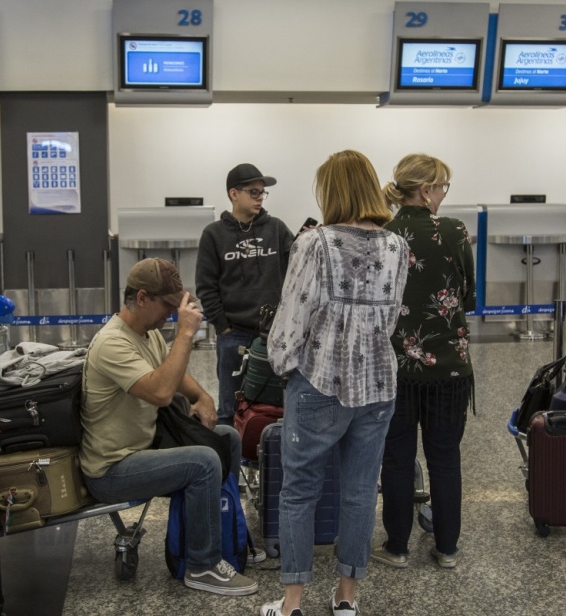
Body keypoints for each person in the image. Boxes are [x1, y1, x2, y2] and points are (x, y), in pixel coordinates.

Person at [261, 150, 409, 616]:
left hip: (320, 381)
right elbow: (390, 319)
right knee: (361, 491)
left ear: (332, 191)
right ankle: (347, 598)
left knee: (300, 491)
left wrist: (283, 365)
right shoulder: (397, 246)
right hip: (378, 384)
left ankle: (292, 605)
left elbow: (291, 317)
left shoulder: (314, 243)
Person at [80, 257, 258, 596]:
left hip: (145, 446)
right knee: (204, 462)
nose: (173, 314)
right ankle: (202, 565)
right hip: (112, 469)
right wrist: (186, 333)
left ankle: (227, 537)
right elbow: (162, 392)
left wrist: (202, 397)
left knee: (226, 438)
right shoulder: (112, 343)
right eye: (168, 305)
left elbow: (175, 375)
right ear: (142, 298)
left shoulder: (147, 334)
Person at [373, 153, 476, 571]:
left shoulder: (382, 234)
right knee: (445, 457)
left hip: (395, 367)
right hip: (449, 366)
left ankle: (397, 547)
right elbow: (469, 295)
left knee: (396, 458)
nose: (444, 195)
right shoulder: (453, 231)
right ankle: (447, 549)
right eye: (443, 187)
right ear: (426, 189)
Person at [196, 163, 295, 426]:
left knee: (274, 409)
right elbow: (206, 286)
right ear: (233, 194)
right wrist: (223, 327)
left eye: (262, 192)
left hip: (274, 335)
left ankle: (269, 453)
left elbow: (298, 272)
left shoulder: (277, 229)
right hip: (233, 335)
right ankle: (231, 454)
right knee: (229, 410)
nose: (260, 197)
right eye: (253, 192)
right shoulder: (214, 234)